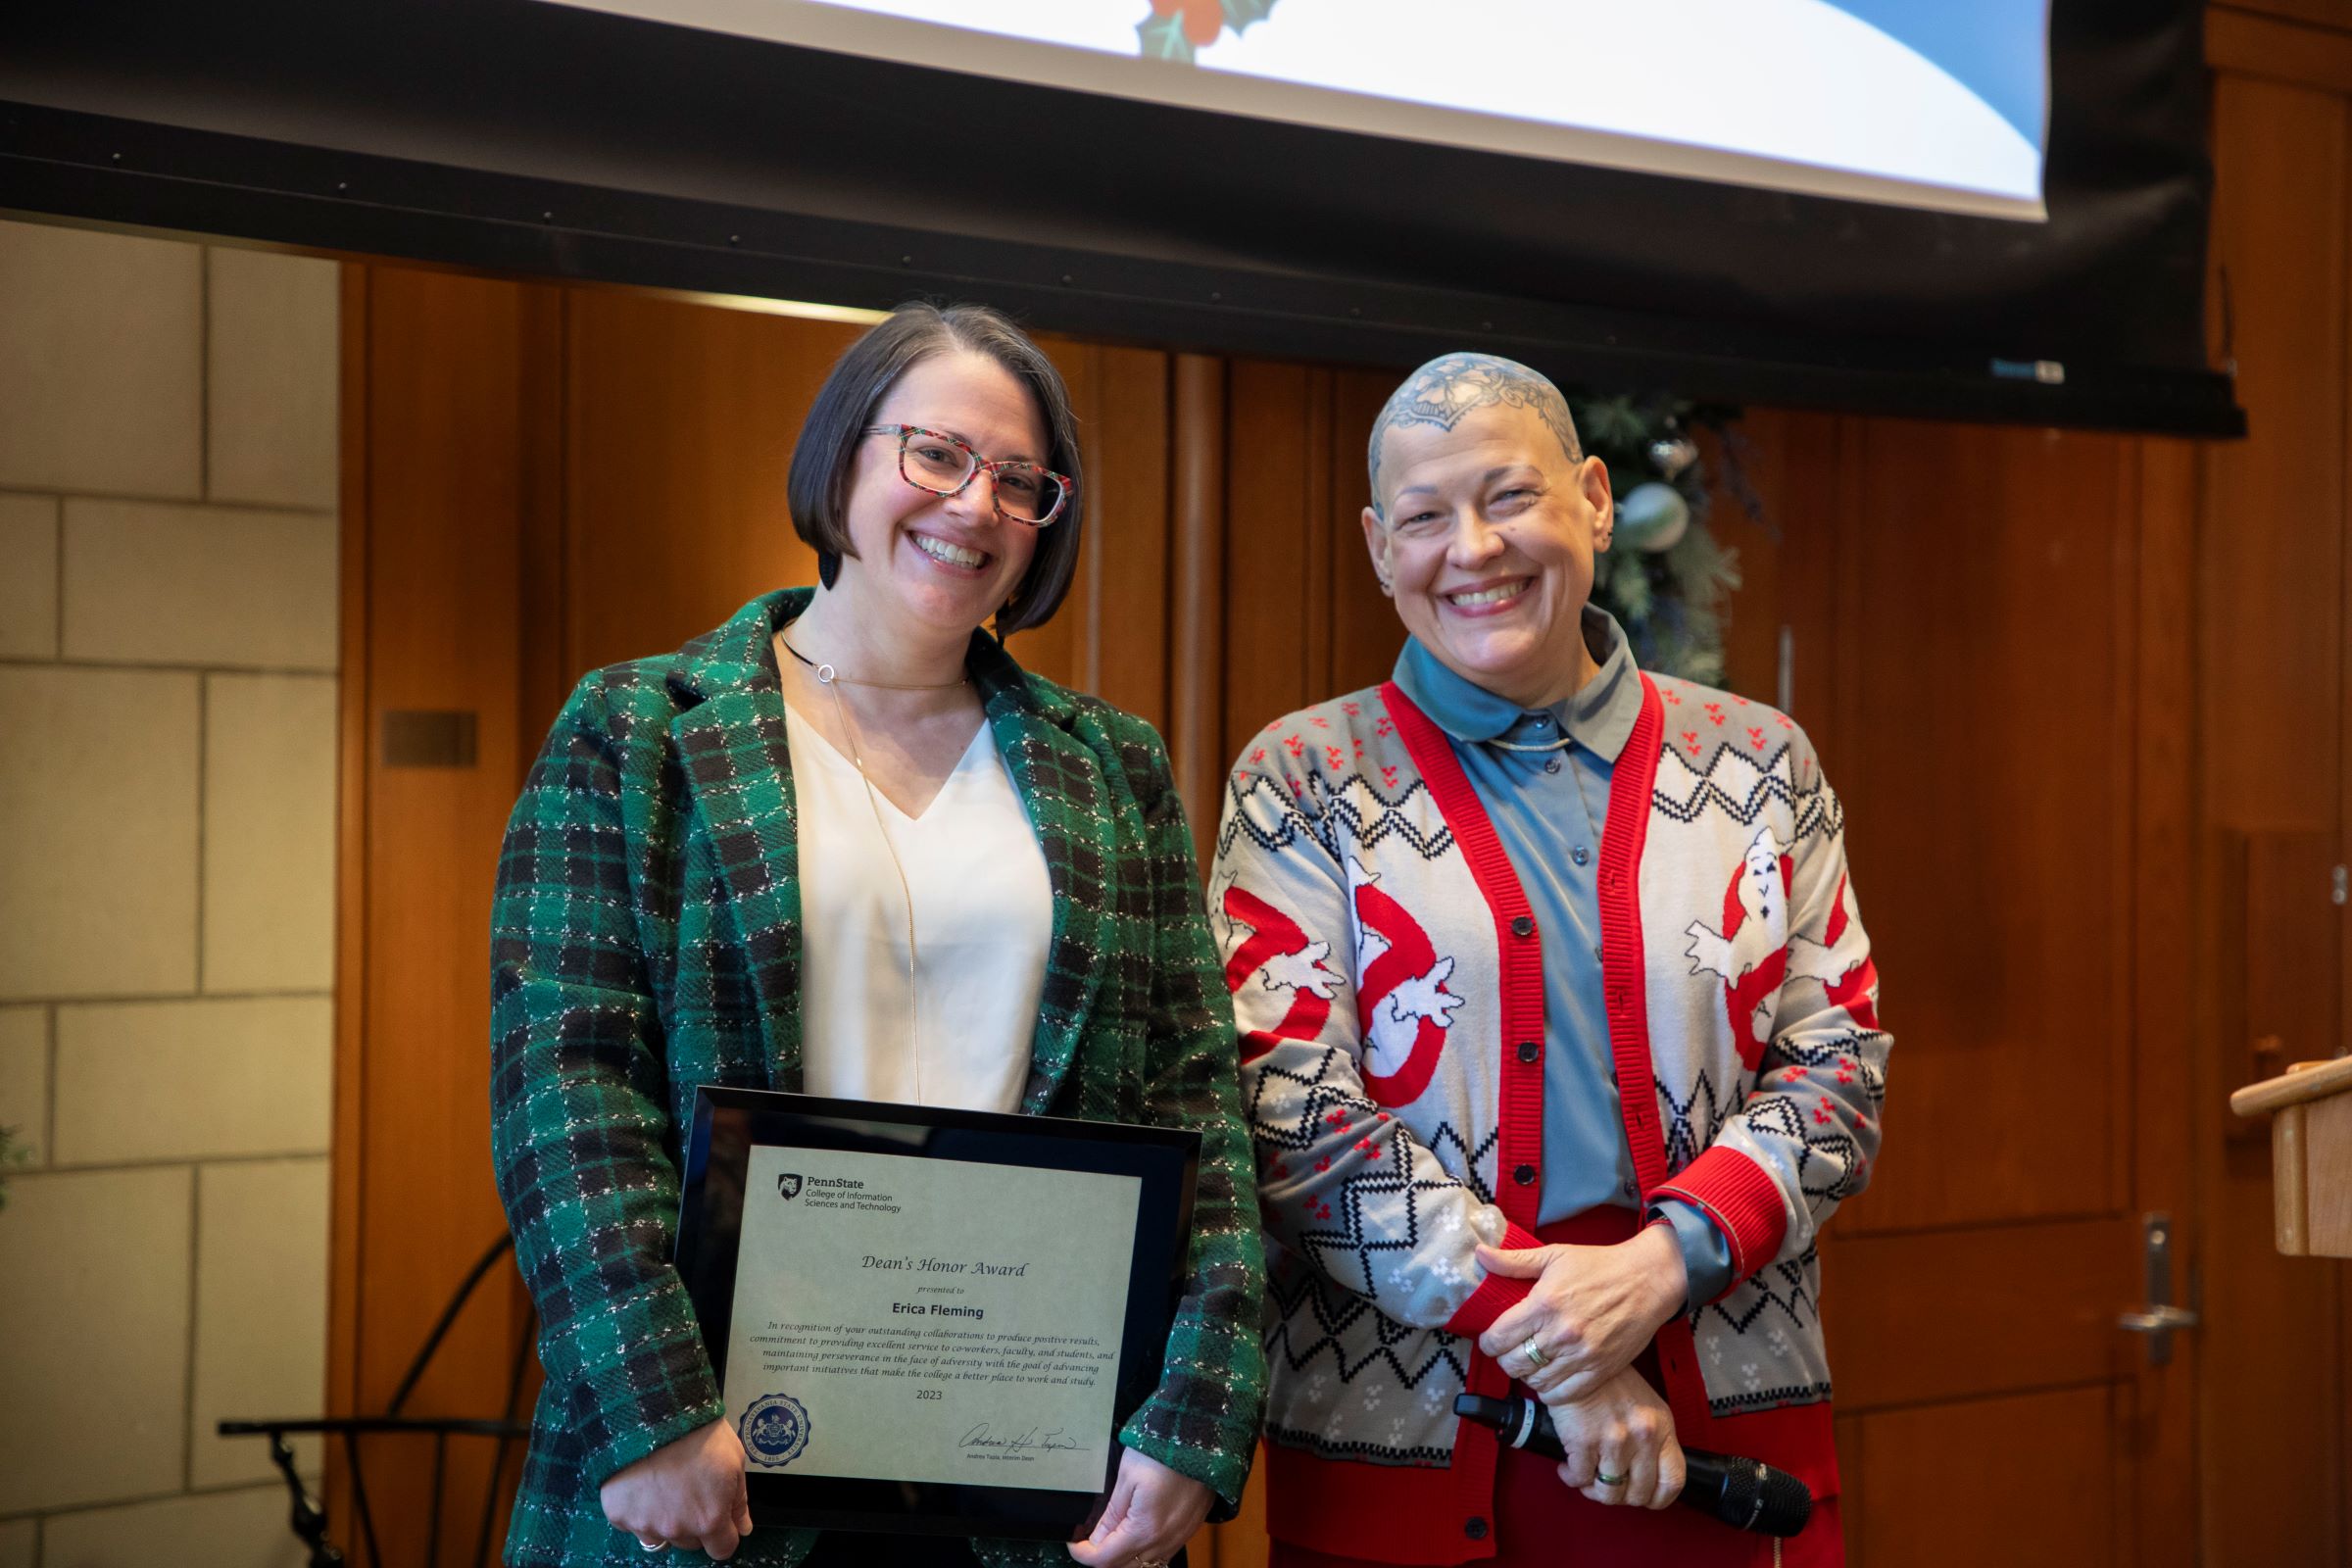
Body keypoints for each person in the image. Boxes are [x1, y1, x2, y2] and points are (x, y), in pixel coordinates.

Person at [490, 303, 1265, 1568]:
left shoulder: (1114, 768)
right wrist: (650, 1413)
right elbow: (566, 1091)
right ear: (844, 456)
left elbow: (1201, 1107)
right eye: (937, 455)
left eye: (1022, 482)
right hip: (713, 1472)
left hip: (1043, 1489)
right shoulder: (634, 732)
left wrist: (1199, 1414)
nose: (976, 506)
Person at [1209, 353, 1887, 1566]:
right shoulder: (1301, 779)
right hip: (1406, 1450)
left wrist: (1659, 1266)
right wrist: (1556, 1336)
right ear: (1378, 546)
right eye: (1424, 517)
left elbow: (1839, 1068)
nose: (1472, 548)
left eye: (1510, 496)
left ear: (1592, 496)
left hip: (1727, 1450)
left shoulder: (1761, 761)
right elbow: (1287, 1113)